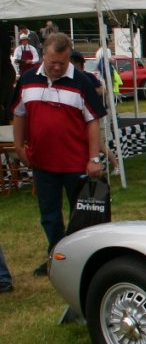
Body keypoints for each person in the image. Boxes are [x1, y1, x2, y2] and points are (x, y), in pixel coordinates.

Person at [11, 33, 106, 275]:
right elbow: (19, 114)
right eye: (53, 62)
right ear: (43, 55)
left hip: (76, 163)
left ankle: (81, 260)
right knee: (49, 215)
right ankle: (56, 256)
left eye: (62, 63)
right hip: (42, 162)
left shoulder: (82, 82)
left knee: (82, 214)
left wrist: (94, 159)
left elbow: (93, 121)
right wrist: (19, 146)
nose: (57, 67)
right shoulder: (28, 79)